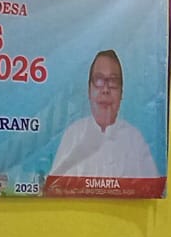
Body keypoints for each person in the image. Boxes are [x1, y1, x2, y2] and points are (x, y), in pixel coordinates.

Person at [47, 51, 159, 180]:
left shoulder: (135, 139)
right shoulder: (73, 135)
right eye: (99, 80)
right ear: (89, 90)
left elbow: (152, 186)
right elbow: (56, 185)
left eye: (113, 81)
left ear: (121, 93)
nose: (105, 90)